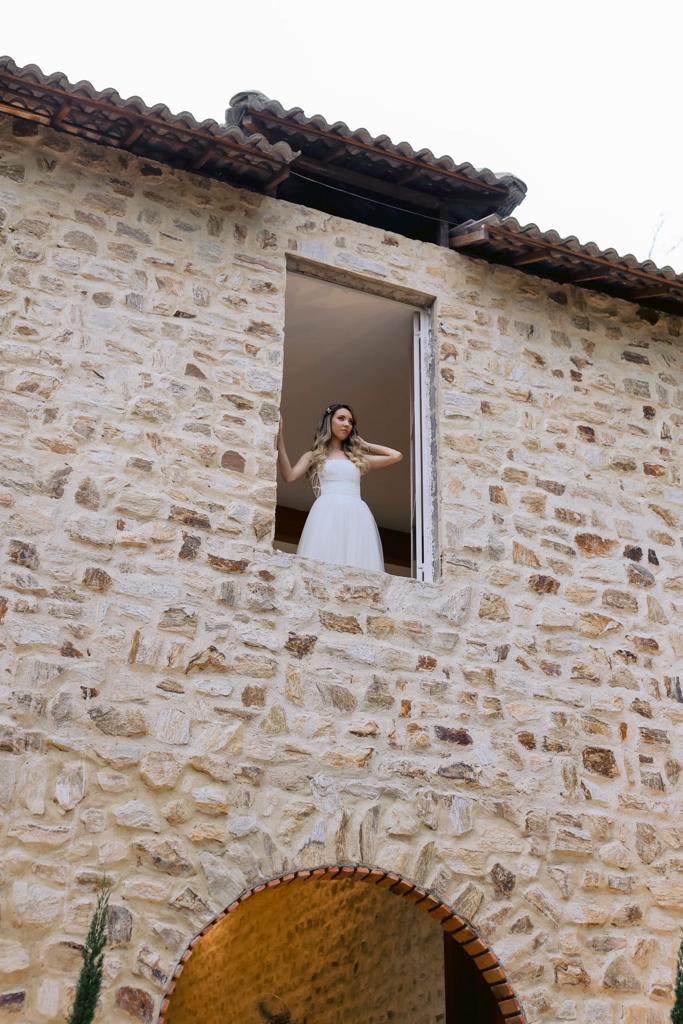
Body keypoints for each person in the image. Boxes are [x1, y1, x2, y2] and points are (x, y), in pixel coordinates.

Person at [277, 403, 403, 572]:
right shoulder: (314, 455)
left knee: (357, 565)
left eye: (350, 421)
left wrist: (366, 445)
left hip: (356, 514)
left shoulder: (356, 457)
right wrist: (279, 437)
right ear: (329, 421)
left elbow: (396, 456)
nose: (346, 424)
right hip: (327, 512)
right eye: (341, 418)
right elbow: (289, 476)